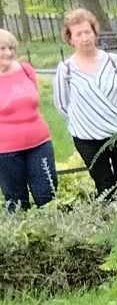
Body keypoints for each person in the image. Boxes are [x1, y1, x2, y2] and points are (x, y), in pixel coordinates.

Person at [53, 9, 117, 202]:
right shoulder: (65, 70)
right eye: (78, 34)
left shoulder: (114, 62)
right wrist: (88, 119)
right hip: (87, 137)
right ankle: (110, 218)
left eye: (87, 32)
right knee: (104, 187)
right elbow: (62, 105)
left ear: (95, 33)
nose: (84, 38)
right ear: (70, 39)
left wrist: (116, 117)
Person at [0, 29, 57, 211]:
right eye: (2, 48)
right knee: (16, 202)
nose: (8, 53)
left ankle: (52, 226)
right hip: (6, 151)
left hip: (39, 143)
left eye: (11, 48)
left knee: (47, 194)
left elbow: (34, 102)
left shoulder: (26, 70)